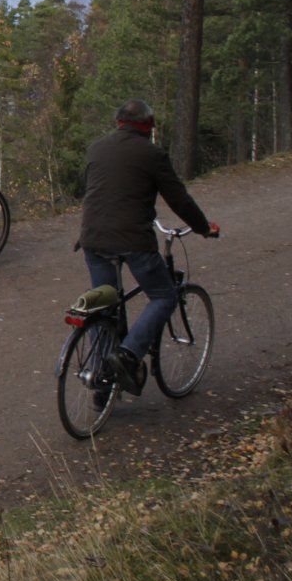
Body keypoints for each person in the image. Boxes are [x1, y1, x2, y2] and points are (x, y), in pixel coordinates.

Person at [77, 99, 218, 398]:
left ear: (118, 123)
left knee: (105, 306)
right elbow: (178, 199)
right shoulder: (152, 154)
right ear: (148, 128)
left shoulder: (96, 148)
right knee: (164, 295)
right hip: (132, 241)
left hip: (92, 239)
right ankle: (129, 354)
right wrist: (204, 227)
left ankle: (101, 390)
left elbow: (95, 192)